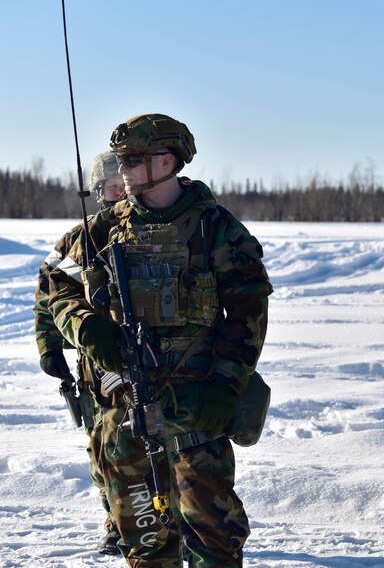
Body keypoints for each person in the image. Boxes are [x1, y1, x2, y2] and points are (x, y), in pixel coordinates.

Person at [48, 113, 273, 567]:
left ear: (167, 160)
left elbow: (248, 312)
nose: (122, 169)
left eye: (132, 159)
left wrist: (225, 386)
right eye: (119, 159)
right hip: (124, 412)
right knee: (145, 543)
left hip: (196, 409)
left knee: (215, 538)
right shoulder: (102, 229)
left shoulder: (216, 228)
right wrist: (87, 329)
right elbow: (57, 287)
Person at [33, 150, 126, 555]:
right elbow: (47, 293)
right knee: (102, 447)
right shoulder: (79, 239)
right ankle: (115, 520)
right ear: (98, 191)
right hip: (94, 365)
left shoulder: (154, 229)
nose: (120, 195)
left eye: (125, 187)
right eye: (111, 189)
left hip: (152, 360)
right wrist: (48, 345)